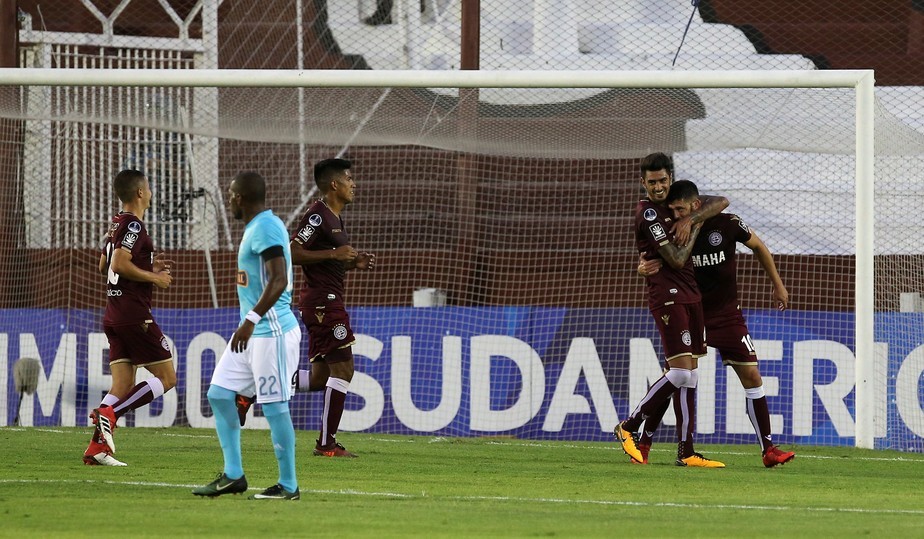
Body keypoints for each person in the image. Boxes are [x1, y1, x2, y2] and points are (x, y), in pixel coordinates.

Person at [635, 179, 796, 468]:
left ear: (696, 206)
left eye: (681, 209)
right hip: (690, 311)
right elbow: (649, 257)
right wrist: (641, 266)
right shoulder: (671, 231)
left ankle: (769, 449)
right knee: (677, 377)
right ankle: (644, 442)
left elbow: (759, 246)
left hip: (726, 314)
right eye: (672, 210)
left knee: (752, 375)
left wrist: (778, 285)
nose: (676, 215)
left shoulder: (727, 224)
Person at [614, 152, 728, 468]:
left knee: (689, 377)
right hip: (667, 295)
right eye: (652, 182)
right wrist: (693, 226)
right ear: (643, 183)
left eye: (663, 180)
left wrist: (690, 217)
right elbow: (677, 259)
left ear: (670, 178)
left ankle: (686, 451)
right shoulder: (648, 214)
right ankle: (628, 426)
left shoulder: (677, 204)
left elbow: (721, 201)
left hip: (691, 294)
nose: (659, 187)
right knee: (679, 372)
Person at [192, 171, 302, 500]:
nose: (228, 201)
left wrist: (252, 318)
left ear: (240, 197)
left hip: (272, 332)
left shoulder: (266, 227)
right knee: (219, 394)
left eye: (230, 195)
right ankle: (233, 474)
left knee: (274, 406)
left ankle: (289, 485)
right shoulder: (257, 227)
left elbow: (279, 279)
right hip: (252, 334)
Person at [84, 169, 176, 467]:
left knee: (121, 385)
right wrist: (154, 276)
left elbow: (103, 266)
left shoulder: (116, 225)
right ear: (140, 192)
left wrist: (148, 261)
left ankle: (96, 450)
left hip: (113, 314)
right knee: (167, 377)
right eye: (148, 187)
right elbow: (118, 263)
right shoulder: (134, 224)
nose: (150, 192)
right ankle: (109, 415)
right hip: (134, 315)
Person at [286, 158, 375, 458]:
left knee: (322, 377)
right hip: (325, 303)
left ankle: (255, 387)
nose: (354, 184)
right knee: (344, 368)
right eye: (349, 178)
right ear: (334, 184)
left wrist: (351, 263)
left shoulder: (335, 218)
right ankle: (326, 444)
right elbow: (293, 252)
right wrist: (336, 253)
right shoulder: (318, 215)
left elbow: (327, 262)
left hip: (324, 300)